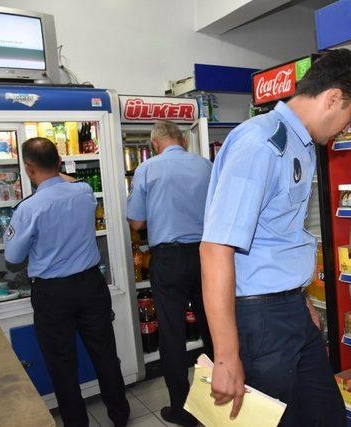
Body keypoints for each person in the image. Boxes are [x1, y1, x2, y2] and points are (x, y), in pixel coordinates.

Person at [200, 49, 351, 426]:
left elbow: (278, 233)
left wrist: (299, 299)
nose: (350, 125)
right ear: (332, 98)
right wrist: (227, 357)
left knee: (327, 416)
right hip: (259, 319)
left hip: (290, 311)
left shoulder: (299, 143)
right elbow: (215, 248)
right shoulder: (260, 144)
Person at [4, 137, 129, 427]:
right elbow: (67, 181)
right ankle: (120, 416)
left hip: (53, 294)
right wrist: (53, 171)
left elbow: (13, 256)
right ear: (59, 163)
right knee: (105, 354)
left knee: (62, 365)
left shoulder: (28, 208)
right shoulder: (84, 192)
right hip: (90, 285)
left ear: (28, 168)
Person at [127, 120, 213, 426]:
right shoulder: (205, 166)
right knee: (213, 328)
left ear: (155, 144)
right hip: (206, 254)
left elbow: (136, 223)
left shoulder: (147, 170)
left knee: (172, 335)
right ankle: (220, 398)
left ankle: (182, 408)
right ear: (182, 141)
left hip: (169, 258)